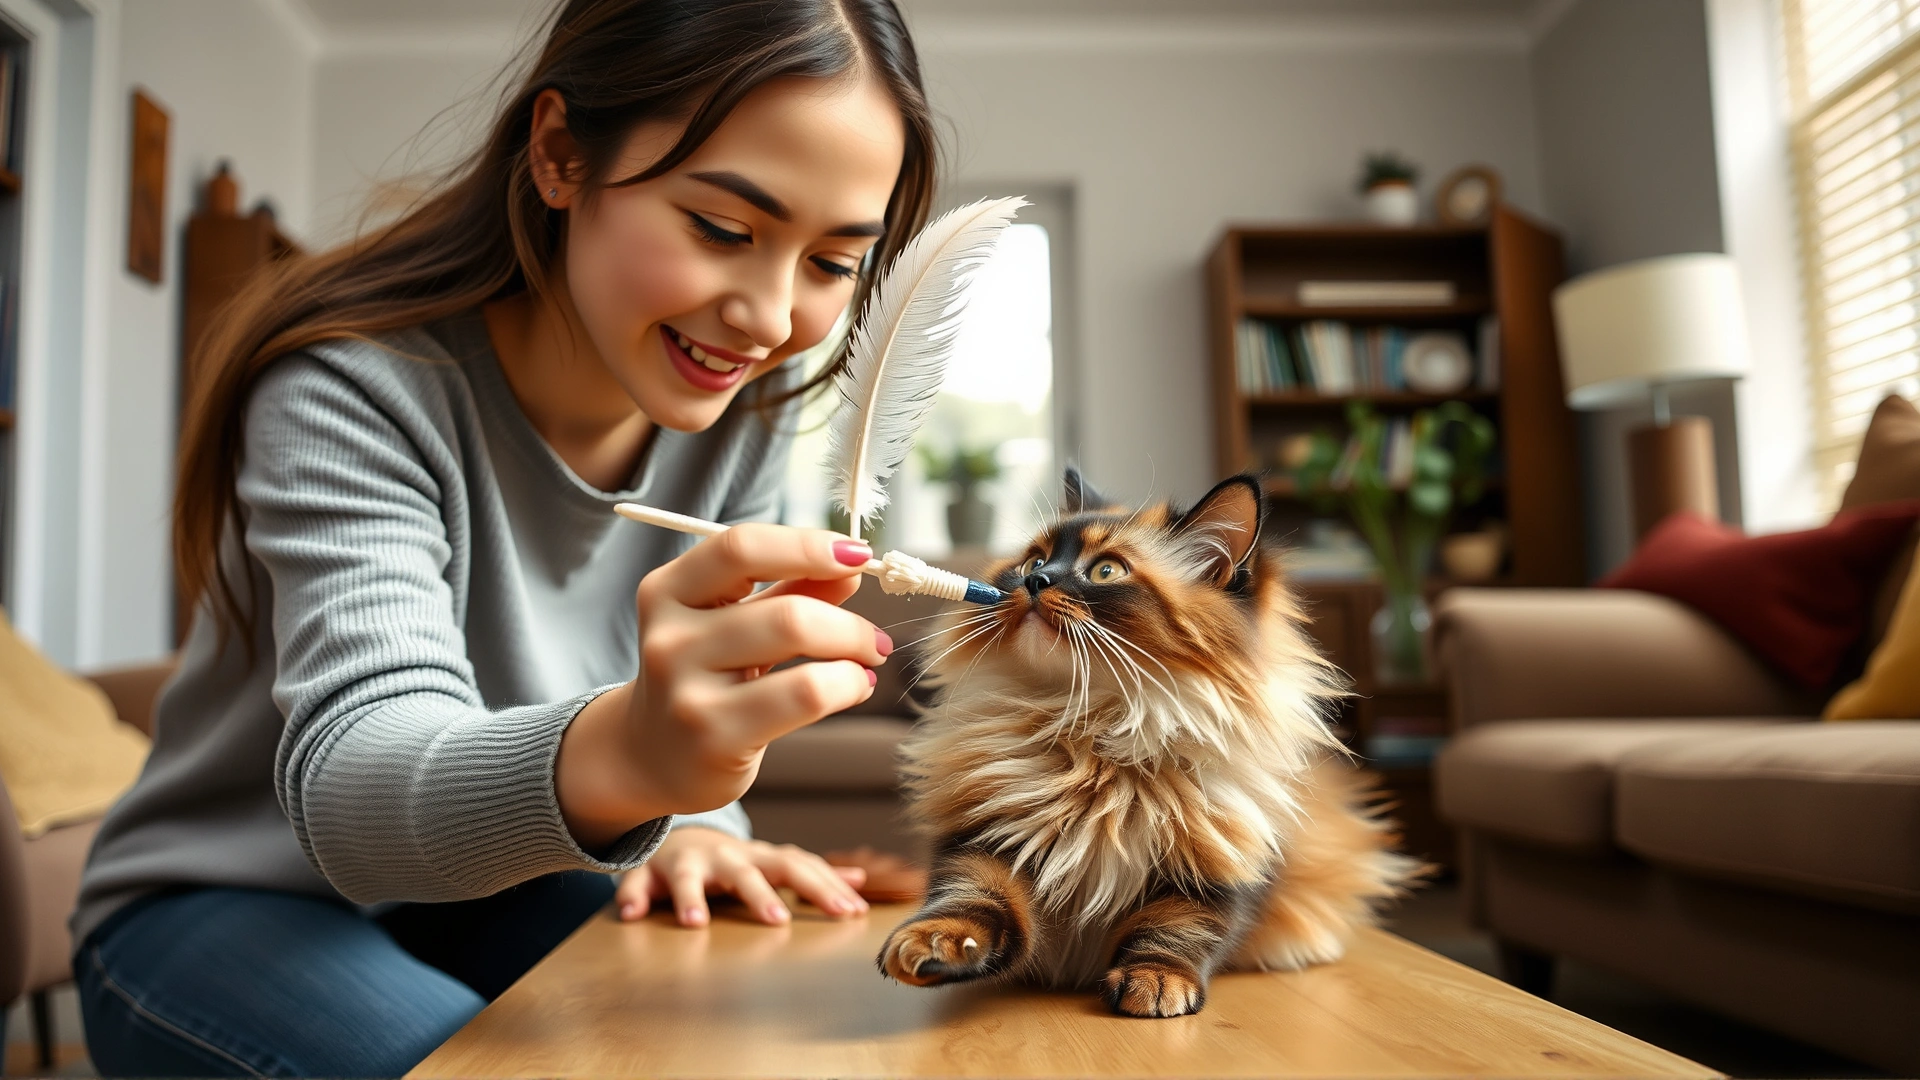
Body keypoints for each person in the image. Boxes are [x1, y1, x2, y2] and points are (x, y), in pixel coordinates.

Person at [71, 1, 937, 1074]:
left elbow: (697, 736)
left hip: (504, 880)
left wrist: (706, 828)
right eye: (723, 228)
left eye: (831, 263)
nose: (768, 318)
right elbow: (351, 788)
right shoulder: (350, 389)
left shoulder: (741, 422)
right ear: (561, 154)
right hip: (223, 900)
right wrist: (632, 754)